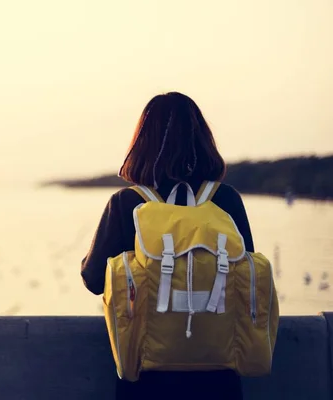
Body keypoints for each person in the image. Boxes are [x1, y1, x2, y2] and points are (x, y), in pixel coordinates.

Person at [80, 91, 254, 400]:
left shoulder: (128, 203)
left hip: (146, 375)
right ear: (204, 139)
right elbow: (246, 277)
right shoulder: (225, 200)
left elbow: (94, 280)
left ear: (141, 142)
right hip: (219, 374)